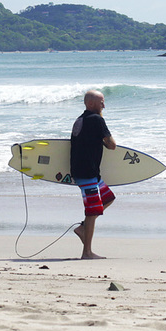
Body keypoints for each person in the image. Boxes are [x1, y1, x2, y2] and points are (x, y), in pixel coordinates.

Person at [70, 89, 116, 259]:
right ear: (91, 104)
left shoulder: (79, 119)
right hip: (87, 172)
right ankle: (87, 252)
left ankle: (83, 228)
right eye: (101, 102)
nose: (104, 105)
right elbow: (112, 145)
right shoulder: (97, 120)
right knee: (91, 212)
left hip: (85, 171)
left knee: (108, 198)